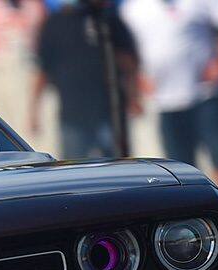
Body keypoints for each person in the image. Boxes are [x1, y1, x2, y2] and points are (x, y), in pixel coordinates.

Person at [121, 0, 218, 197]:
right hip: (166, 102)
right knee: (179, 172)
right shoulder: (132, 9)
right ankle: (193, 224)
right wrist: (136, 80)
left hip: (206, 95)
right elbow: (126, 48)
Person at [30, 0, 139, 159]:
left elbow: (129, 61)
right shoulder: (55, 23)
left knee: (118, 168)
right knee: (76, 170)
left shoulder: (108, 20)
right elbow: (43, 70)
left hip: (109, 113)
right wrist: (34, 112)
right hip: (73, 115)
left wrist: (133, 97)